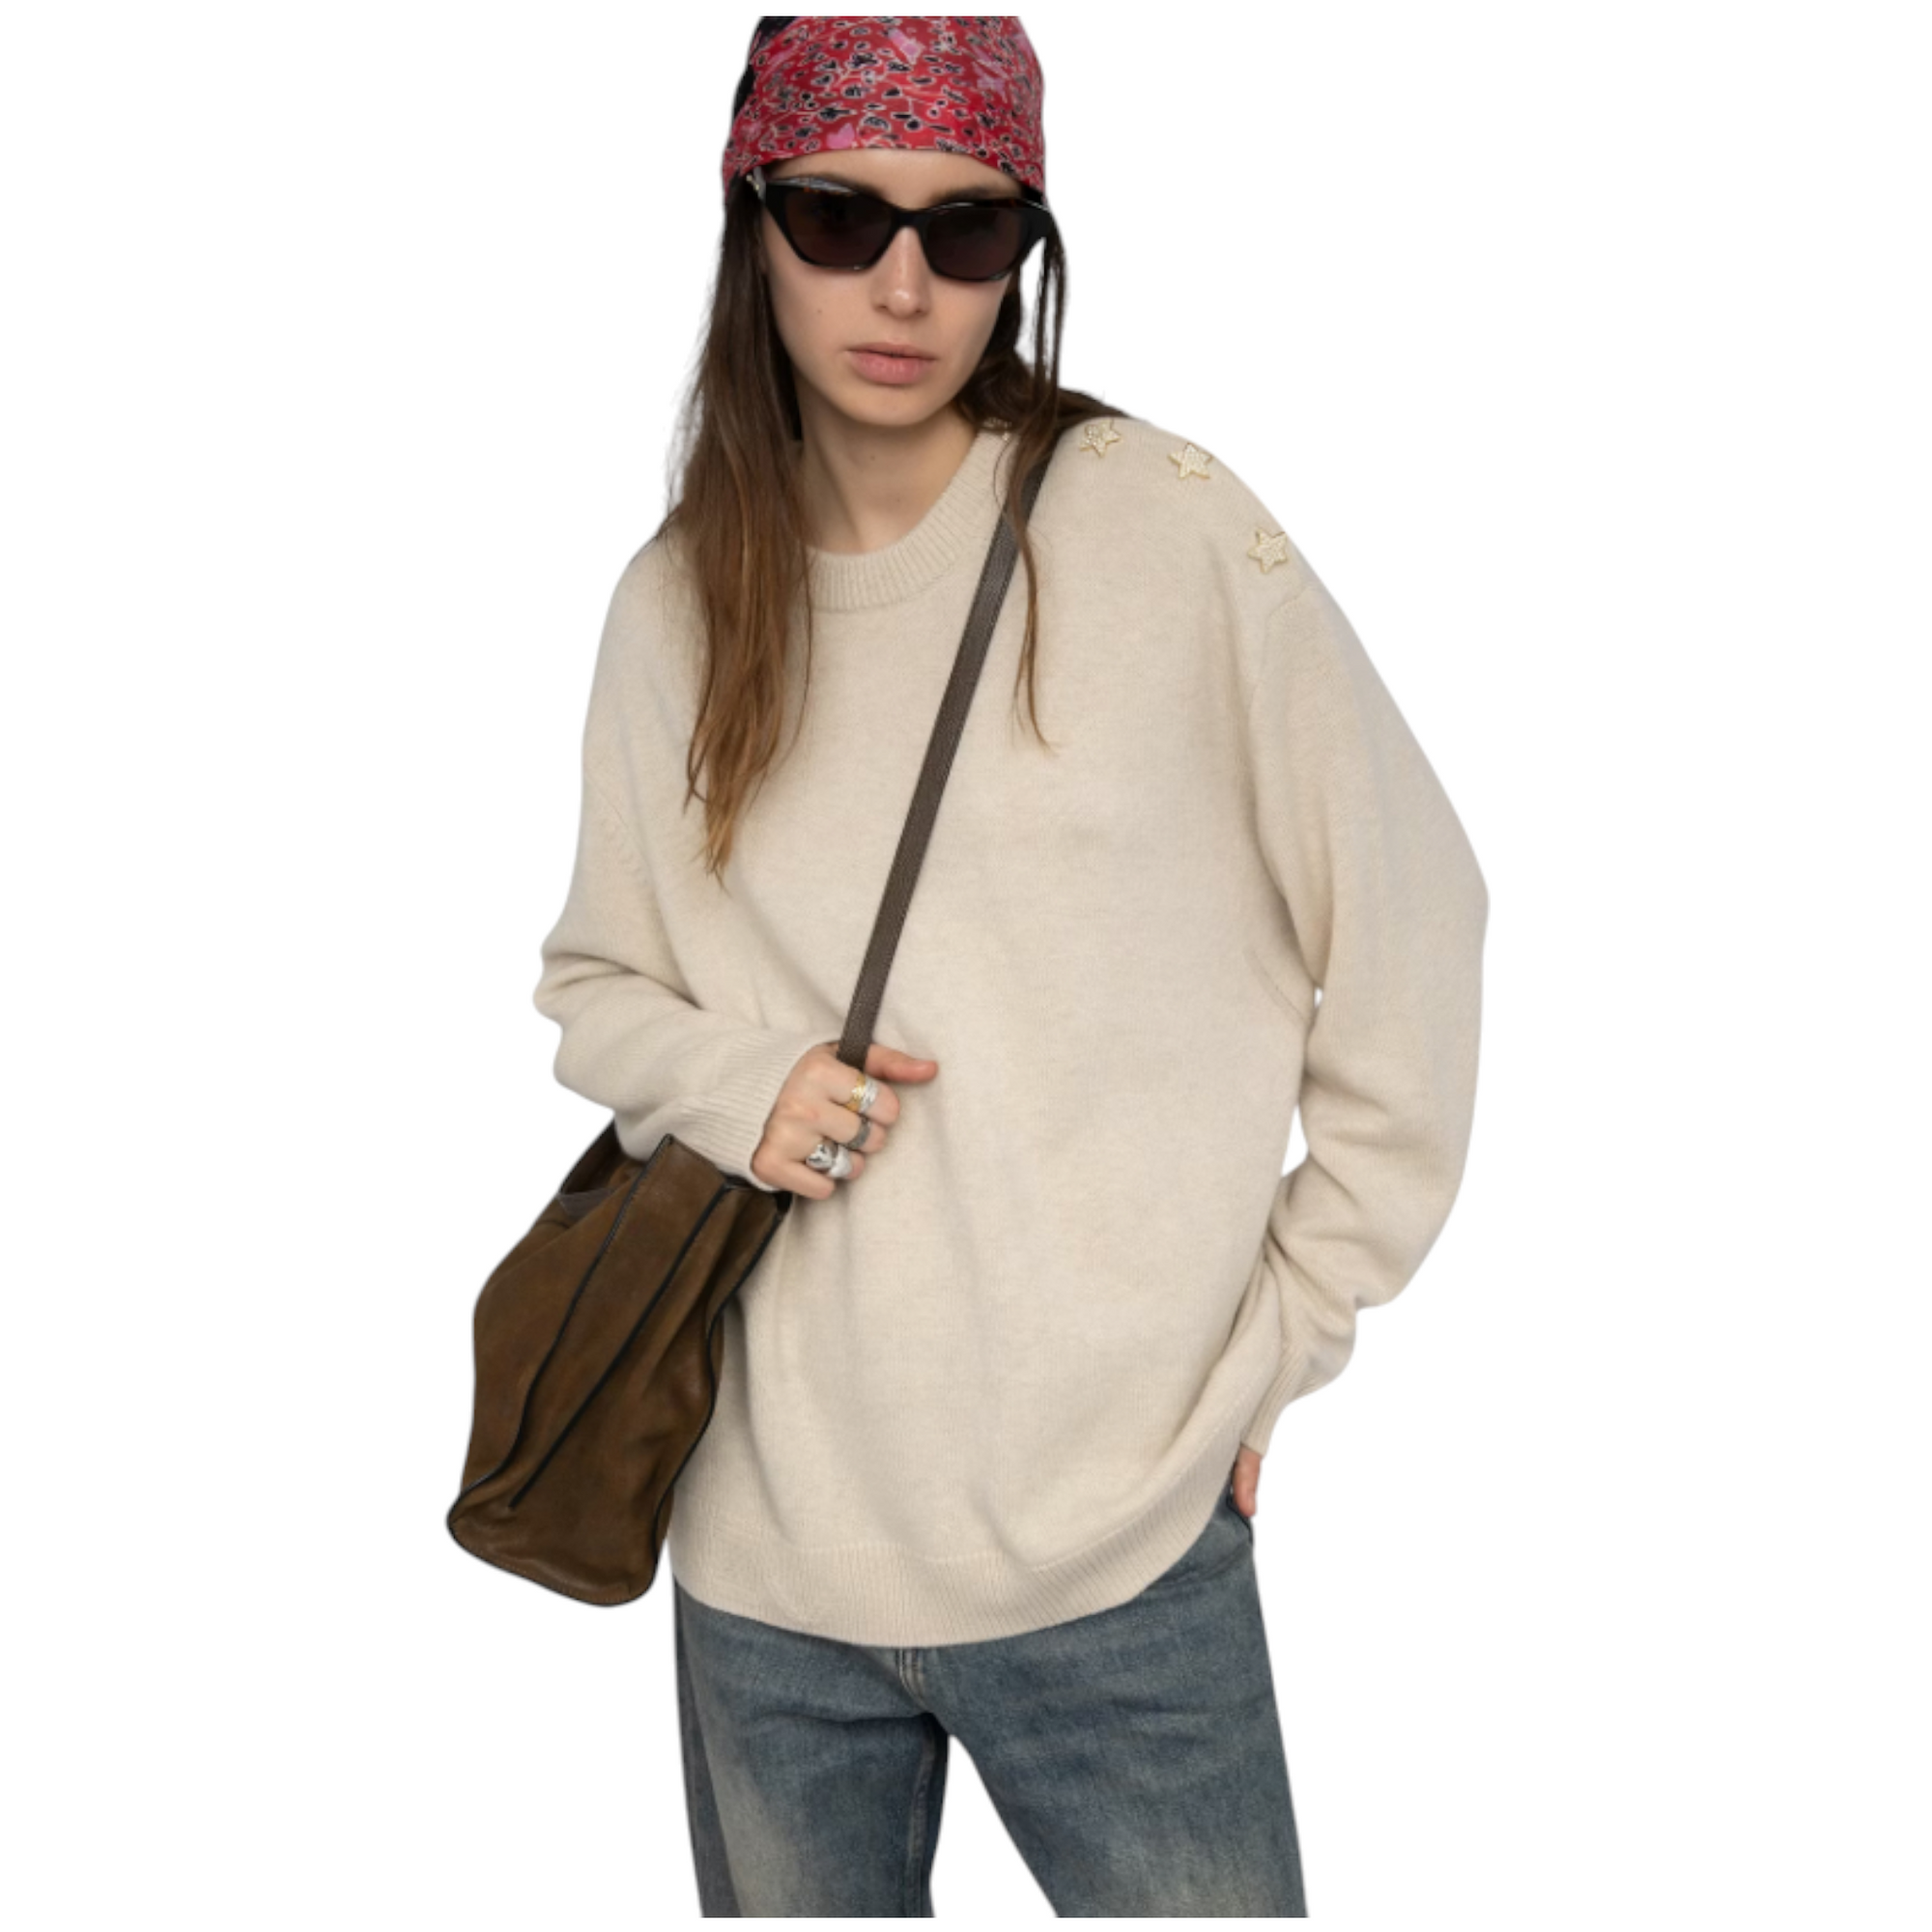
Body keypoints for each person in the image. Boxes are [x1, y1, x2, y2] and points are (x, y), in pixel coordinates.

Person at [530, 14, 1489, 1917]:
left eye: (967, 231)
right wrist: (742, 1082)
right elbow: (595, 983)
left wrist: (1285, 1336)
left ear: (1023, 253)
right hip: (764, 1565)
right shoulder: (679, 598)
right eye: (840, 219)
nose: (903, 286)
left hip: (1114, 1552)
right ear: (752, 226)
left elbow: (1415, 921)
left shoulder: (1167, 532)